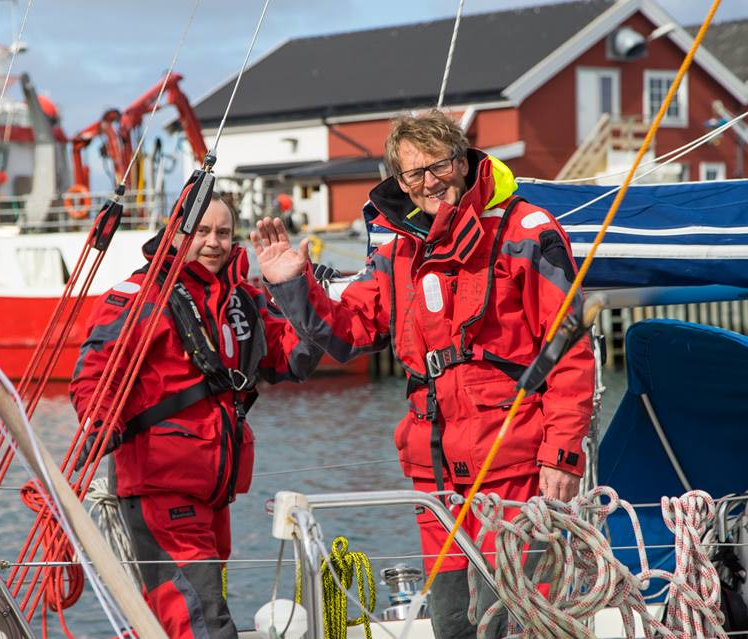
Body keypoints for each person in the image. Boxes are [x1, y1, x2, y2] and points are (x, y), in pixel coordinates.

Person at [250, 111, 594, 638]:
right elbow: (347, 335)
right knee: (454, 623)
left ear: (461, 161)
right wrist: (292, 285)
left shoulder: (526, 232)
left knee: (525, 620)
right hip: (435, 478)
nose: (429, 182)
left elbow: (569, 349)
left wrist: (563, 454)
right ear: (399, 181)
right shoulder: (396, 250)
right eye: (414, 174)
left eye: (438, 166)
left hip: (517, 469)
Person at [70, 194, 321, 639]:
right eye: (201, 232)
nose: (213, 243)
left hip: (212, 495)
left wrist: (292, 288)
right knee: (202, 620)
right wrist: (99, 422)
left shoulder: (244, 300)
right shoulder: (137, 297)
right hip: (160, 490)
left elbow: (294, 360)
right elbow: (96, 374)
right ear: (176, 235)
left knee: (193, 615)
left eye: (223, 233)